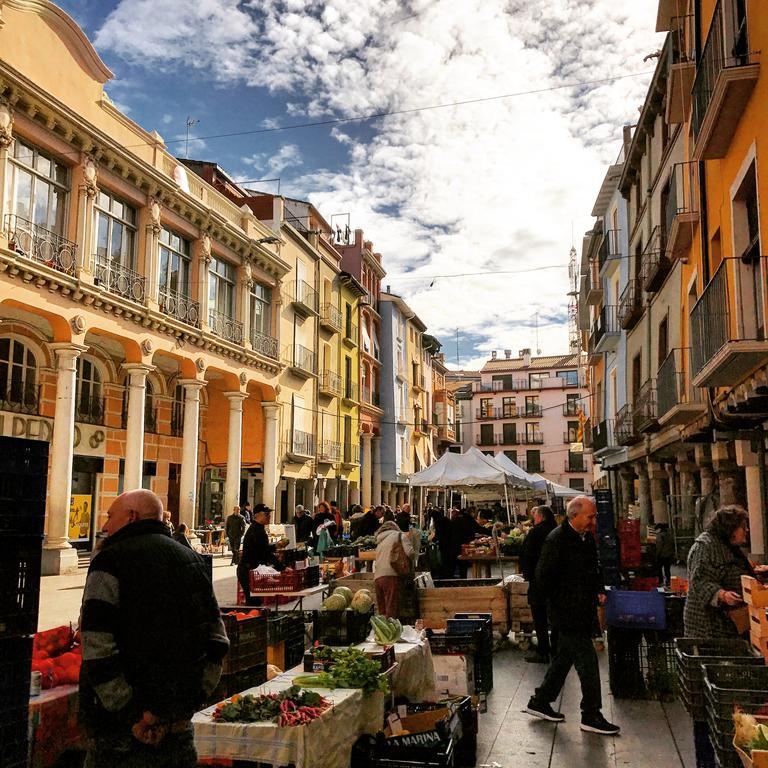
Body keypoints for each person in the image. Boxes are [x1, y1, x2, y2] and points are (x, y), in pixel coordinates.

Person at [79, 490, 229, 768]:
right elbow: (217, 639)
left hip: (122, 737)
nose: (104, 526)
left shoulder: (110, 561)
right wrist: (190, 702)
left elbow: (96, 642)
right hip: (177, 730)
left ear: (131, 517)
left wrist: (134, 715)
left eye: (110, 517)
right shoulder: (192, 560)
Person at [526, 496, 620, 736]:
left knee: (564, 658)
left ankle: (541, 701)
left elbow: (592, 568)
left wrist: (598, 589)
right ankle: (591, 713)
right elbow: (542, 577)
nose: (593, 521)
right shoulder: (556, 540)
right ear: (575, 516)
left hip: (582, 609)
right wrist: (559, 603)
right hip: (567, 612)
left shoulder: (585, 538)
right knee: (588, 663)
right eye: (590, 516)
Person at [684, 505, 767, 638]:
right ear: (730, 528)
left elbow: (736, 570)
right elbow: (700, 580)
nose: (747, 529)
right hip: (710, 629)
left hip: (730, 624)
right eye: (742, 526)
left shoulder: (729, 546)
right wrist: (722, 595)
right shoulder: (705, 547)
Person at [520, 505, 558, 663]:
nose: (534, 520)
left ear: (541, 517)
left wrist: (527, 575)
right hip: (557, 581)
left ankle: (543, 650)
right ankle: (556, 649)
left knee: (540, 616)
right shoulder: (558, 530)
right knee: (555, 616)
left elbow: (526, 555)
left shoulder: (536, 532)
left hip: (539, 581)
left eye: (535, 517)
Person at [238, 503, 283, 605]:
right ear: (257, 515)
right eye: (266, 514)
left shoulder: (259, 529)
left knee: (256, 603)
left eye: (269, 514)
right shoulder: (256, 530)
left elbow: (261, 548)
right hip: (248, 571)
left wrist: (274, 546)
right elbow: (265, 553)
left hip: (252, 570)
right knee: (253, 604)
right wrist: (282, 568)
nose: (269, 516)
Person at [374, 519, 414, 618]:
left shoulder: (380, 541)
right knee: (392, 611)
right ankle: (391, 632)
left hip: (378, 578)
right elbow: (410, 553)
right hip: (392, 575)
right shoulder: (399, 536)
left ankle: (382, 632)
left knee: (382, 612)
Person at [450, 507, 488, 578]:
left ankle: (451, 583)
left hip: (453, 545)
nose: (476, 516)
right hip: (463, 546)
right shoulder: (469, 519)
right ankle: (463, 581)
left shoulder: (456, 519)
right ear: (472, 513)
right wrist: (492, 532)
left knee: (452, 566)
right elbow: (479, 529)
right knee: (462, 566)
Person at [654, 522, 675, 587]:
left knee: (659, 569)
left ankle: (661, 582)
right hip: (669, 555)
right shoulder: (670, 535)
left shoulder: (660, 535)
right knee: (667, 570)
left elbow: (659, 546)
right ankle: (668, 582)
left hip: (662, 555)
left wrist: (657, 555)